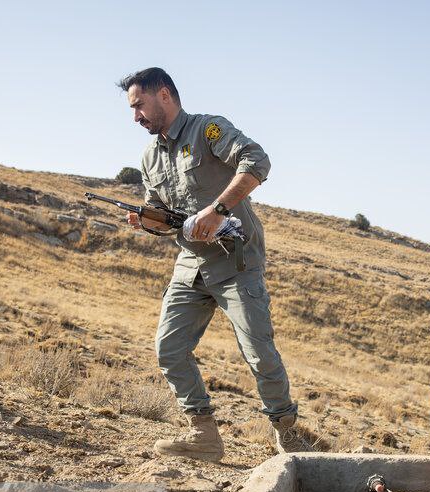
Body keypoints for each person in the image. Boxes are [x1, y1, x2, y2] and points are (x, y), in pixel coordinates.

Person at [116, 67, 307, 461]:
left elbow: (258, 161)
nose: (135, 117)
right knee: (169, 349)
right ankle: (203, 436)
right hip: (191, 264)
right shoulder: (150, 157)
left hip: (236, 260)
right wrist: (147, 220)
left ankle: (288, 435)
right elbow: (166, 217)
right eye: (132, 109)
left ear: (164, 95)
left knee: (258, 352)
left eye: (139, 106)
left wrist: (218, 209)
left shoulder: (208, 131)